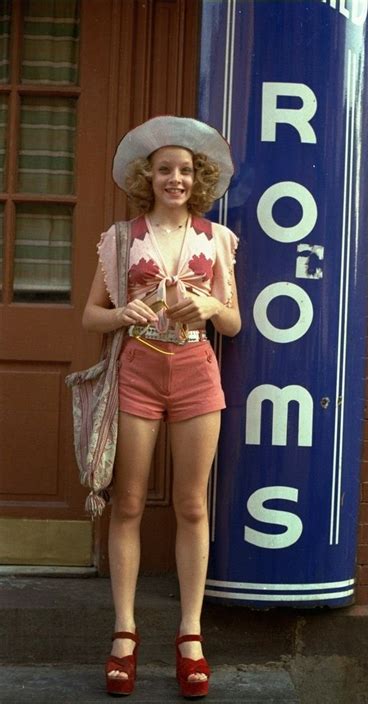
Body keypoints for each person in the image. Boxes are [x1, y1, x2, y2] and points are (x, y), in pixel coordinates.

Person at [82, 116, 241, 698]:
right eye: (164, 168)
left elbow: (234, 320)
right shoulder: (121, 238)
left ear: (197, 178)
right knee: (126, 502)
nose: (174, 178)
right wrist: (122, 315)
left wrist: (205, 305)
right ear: (146, 176)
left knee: (192, 505)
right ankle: (124, 634)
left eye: (185, 170)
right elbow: (90, 315)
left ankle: (191, 635)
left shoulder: (217, 240)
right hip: (138, 370)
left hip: (197, 370)